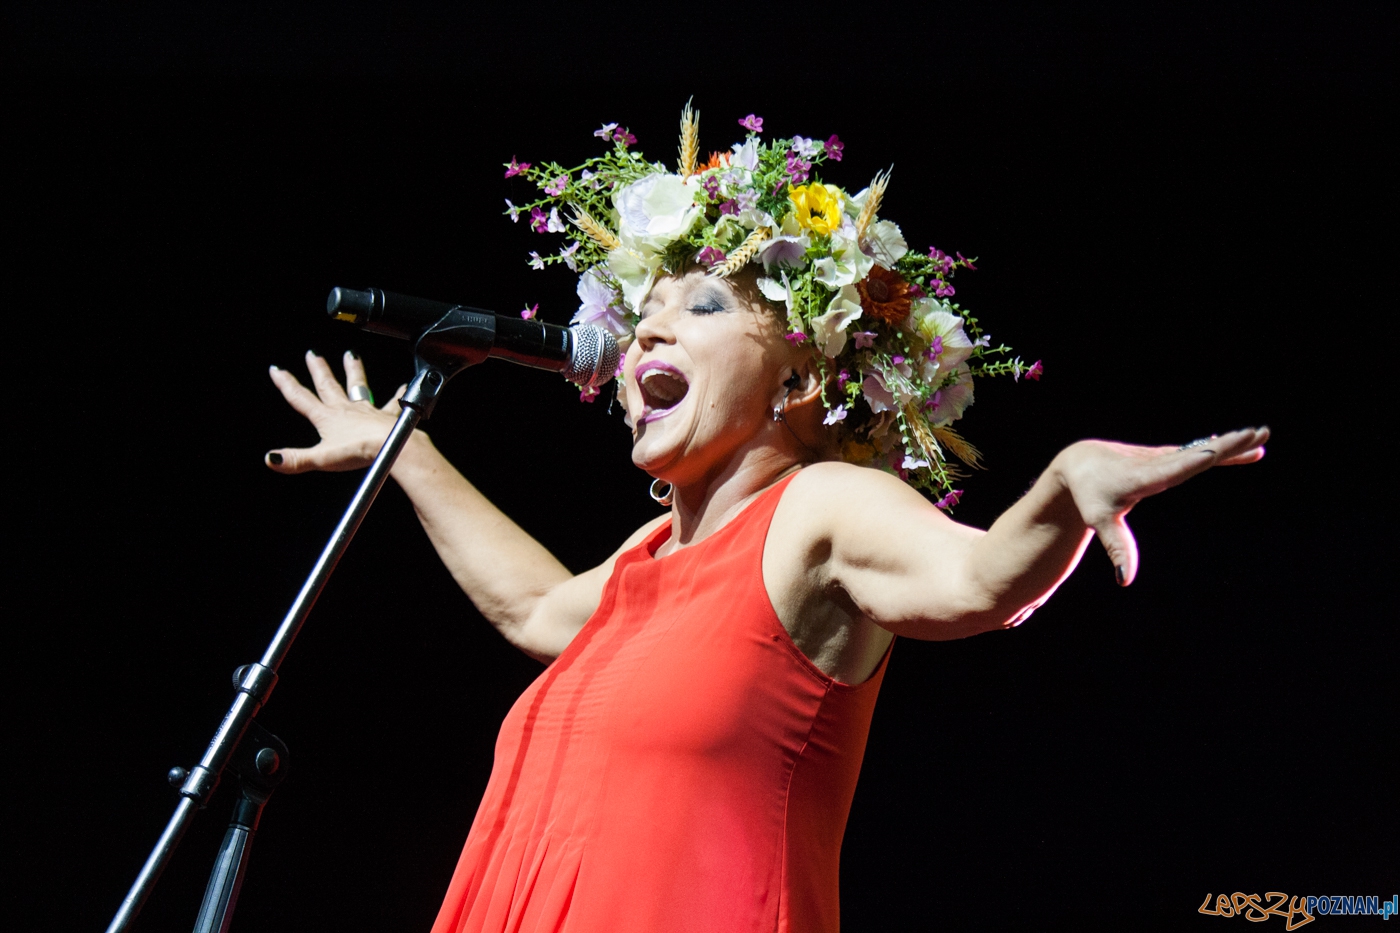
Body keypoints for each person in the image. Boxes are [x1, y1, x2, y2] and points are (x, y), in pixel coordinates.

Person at [263, 110, 1268, 932]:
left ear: (800, 378)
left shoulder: (818, 506)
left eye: (698, 306)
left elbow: (975, 584)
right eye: (640, 313)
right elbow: (533, 610)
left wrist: (1062, 486)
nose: (644, 329)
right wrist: (403, 447)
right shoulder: (653, 553)